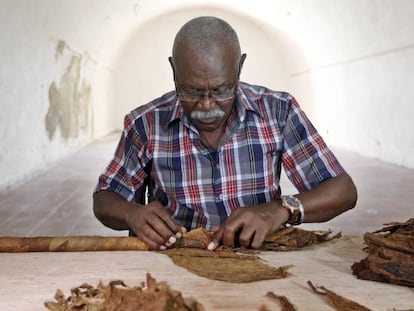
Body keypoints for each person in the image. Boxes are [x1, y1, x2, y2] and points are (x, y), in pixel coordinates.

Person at [93, 16, 357, 251]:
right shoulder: (146, 123)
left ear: (239, 68)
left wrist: (280, 209)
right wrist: (131, 213)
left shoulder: (279, 111)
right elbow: (105, 199)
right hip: (175, 258)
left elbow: (342, 190)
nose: (206, 106)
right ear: (174, 70)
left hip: (258, 255)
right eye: (191, 91)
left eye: (221, 90)